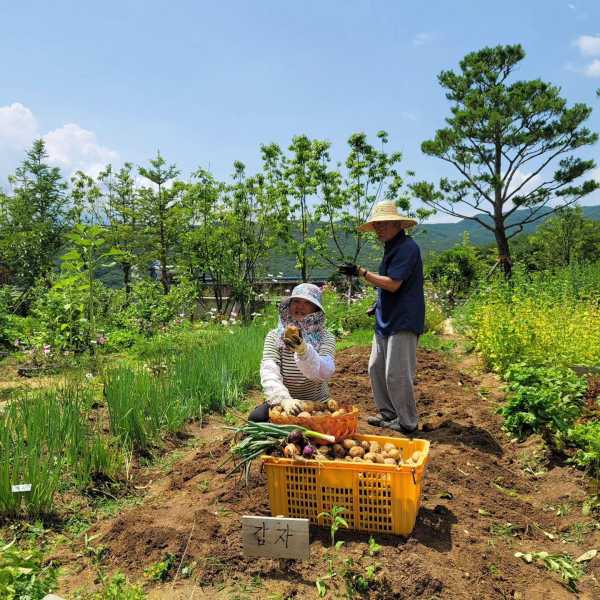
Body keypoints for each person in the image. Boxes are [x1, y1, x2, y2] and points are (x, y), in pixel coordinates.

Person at [338, 200, 424, 435]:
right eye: (377, 225)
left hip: (403, 320)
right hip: (385, 318)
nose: (380, 229)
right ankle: (389, 414)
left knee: (396, 374)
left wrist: (361, 273)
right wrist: (376, 304)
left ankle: (407, 422)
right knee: (375, 368)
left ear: (397, 223)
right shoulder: (391, 248)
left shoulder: (407, 247)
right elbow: (388, 286)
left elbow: (394, 284)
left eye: (385, 224)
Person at [249, 283, 337, 422]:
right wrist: (284, 400)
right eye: (296, 301)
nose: (300, 306)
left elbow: (324, 373)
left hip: (317, 403)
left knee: (326, 426)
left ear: (316, 309)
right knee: (256, 417)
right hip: (286, 401)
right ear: (288, 306)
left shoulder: (326, 338)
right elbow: (269, 371)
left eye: (307, 303)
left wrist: (304, 351)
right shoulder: (274, 336)